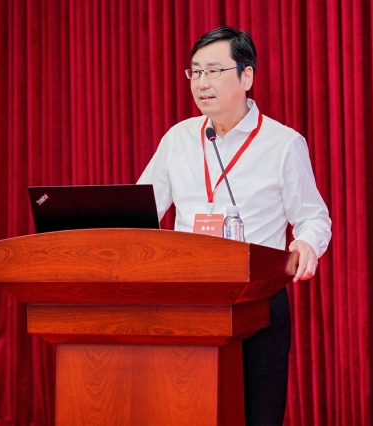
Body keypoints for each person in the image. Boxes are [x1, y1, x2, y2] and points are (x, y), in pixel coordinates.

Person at [137, 26, 331, 426]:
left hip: (257, 302)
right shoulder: (177, 139)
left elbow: (313, 216)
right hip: (189, 302)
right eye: (195, 72)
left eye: (213, 71)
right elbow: (140, 211)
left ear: (246, 77)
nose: (202, 83)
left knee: (258, 415)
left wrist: (307, 243)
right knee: (189, 413)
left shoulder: (283, 143)